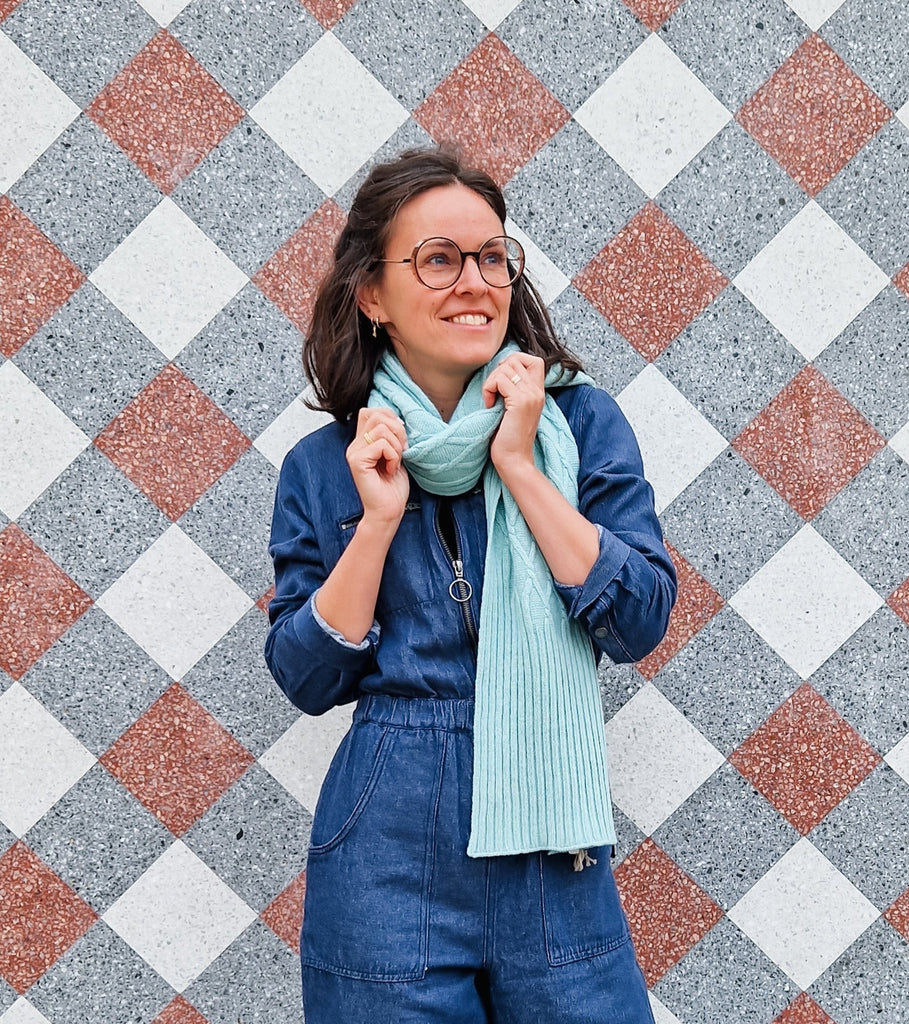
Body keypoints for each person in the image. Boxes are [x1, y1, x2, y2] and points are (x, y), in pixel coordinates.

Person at [265, 147, 677, 1023]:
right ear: (372, 295)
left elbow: (638, 619)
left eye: (493, 257)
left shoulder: (579, 425)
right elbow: (305, 676)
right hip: (387, 854)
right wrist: (376, 522)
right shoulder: (325, 465)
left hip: (550, 847)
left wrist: (521, 466)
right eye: (439, 260)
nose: (475, 283)